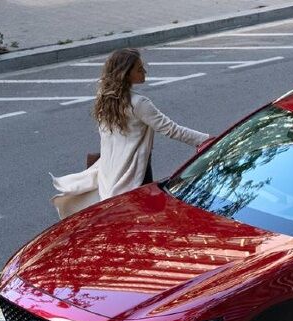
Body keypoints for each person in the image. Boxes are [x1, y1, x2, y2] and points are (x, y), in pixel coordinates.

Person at [51, 48, 209, 218]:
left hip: (109, 170)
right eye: (139, 69)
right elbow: (171, 129)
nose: (144, 72)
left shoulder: (105, 98)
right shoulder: (139, 103)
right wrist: (208, 140)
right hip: (133, 171)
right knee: (140, 216)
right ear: (125, 74)